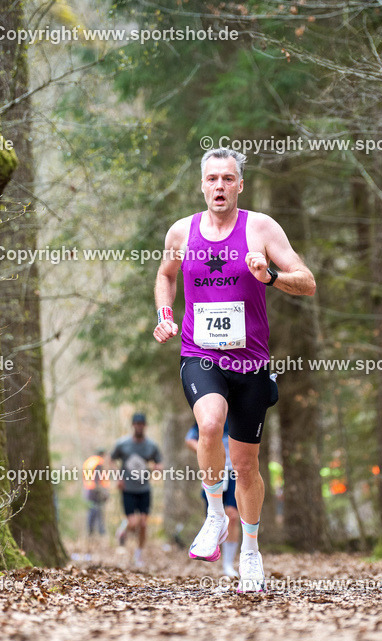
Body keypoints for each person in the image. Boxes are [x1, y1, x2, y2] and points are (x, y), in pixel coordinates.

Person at [153, 147, 316, 592]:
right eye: (212, 179)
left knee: (246, 465)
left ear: (240, 185)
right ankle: (213, 515)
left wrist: (270, 278)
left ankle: (250, 552)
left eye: (228, 178)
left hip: (251, 362)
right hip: (200, 355)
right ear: (202, 186)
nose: (220, 186)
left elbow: (307, 281)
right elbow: (165, 275)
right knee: (209, 424)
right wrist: (165, 315)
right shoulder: (182, 231)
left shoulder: (261, 228)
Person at [185, 419, 239, 577]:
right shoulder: (209, 414)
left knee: (232, 516)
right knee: (213, 516)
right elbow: (189, 439)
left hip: (234, 472)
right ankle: (212, 551)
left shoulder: (238, 412)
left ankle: (228, 564)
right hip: (213, 471)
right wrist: (206, 451)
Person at [111, 412, 161, 567]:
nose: (139, 426)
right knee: (133, 523)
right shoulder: (123, 444)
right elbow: (111, 460)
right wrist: (118, 477)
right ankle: (124, 528)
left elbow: (159, 462)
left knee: (144, 524)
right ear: (133, 425)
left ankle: (138, 555)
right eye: (137, 424)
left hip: (144, 488)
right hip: (128, 488)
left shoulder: (151, 446)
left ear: (145, 426)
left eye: (141, 424)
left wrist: (157, 468)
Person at [82, 449, 110, 537]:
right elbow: (97, 478)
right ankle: (99, 532)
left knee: (92, 510)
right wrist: (102, 491)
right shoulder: (98, 463)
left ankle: (91, 531)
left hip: (89, 489)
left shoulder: (90, 462)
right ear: (103, 454)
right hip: (95, 491)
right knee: (97, 511)